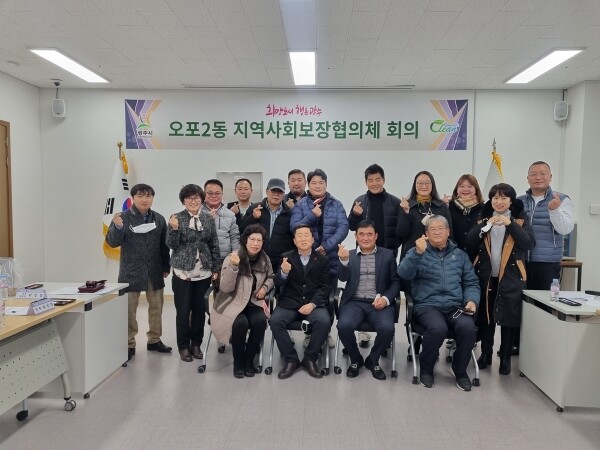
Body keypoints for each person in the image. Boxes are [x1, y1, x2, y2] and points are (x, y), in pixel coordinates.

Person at [398, 215, 480, 391]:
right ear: (426, 233)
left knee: (468, 327)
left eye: (440, 228)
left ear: (448, 232)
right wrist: (417, 253)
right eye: (432, 229)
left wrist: (472, 301)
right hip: (427, 306)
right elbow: (403, 274)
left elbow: (471, 283)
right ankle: (426, 369)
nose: (436, 232)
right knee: (437, 328)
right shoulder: (417, 251)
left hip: (455, 306)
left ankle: (460, 371)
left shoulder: (460, 255)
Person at [466, 183, 534, 375]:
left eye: (504, 198)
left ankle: (505, 357)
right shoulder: (484, 219)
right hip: (486, 276)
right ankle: (486, 354)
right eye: (495, 198)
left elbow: (528, 243)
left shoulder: (520, 220)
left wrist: (509, 224)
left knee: (508, 317)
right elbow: (470, 241)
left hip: (511, 277)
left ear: (511, 201)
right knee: (486, 316)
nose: (499, 201)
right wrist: (486, 225)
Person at [105, 183, 171, 360]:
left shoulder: (159, 219)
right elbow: (112, 242)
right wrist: (118, 227)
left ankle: (154, 340)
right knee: (129, 310)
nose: (144, 199)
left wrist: (166, 266)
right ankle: (128, 343)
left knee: (156, 308)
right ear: (133, 198)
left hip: (154, 270)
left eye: (148, 196)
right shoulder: (122, 218)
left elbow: (164, 245)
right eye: (140, 196)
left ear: (152, 198)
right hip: (130, 271)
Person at [289, 168, 348, 348]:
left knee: (328, 297)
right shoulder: (301, 205)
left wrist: (326, 246)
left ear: (326, 184)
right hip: (308, 260)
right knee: (309, 297)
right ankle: (310, 333)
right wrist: (312, 216)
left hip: (330, 258)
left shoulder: (336, 204)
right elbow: (294, 227)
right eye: (313, 182)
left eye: (321, 182)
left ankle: (326, 332)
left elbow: (343, 227)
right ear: (308, 185)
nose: (317, 186)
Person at [336, 219, 401, 380]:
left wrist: (385, 299)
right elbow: (342, 278)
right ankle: (355, 359)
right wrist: (343, 261)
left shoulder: (387, 255)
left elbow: (395, 282)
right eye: (361, 234)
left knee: (387, 328)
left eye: (369, 234)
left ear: (376, 236)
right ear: (356, 236)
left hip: (378, 302)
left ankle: (373, 359)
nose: (365, 238)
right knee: (343, 325)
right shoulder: (349, 255)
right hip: (354, 302)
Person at [210, 224, 274, 378]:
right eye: (252, 239)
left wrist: (265, 288)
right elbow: (225, 288)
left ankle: (249, 360)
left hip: (253, 302)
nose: (255, 243)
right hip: (232, 301)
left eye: (259, 240)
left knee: (260, 321)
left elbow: (271, 277)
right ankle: (238, 362)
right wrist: (233, 267)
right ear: (245, 240)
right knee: (241, 323)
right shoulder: (232, 257)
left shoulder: (265, 259)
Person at [347, 164, 401, 348]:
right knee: (365, 287)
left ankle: (384, 336)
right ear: (366, 182)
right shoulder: (360, 201)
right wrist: (355, 215)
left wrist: (394, 248)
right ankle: (363, 332)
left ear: (384, 180)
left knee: (384, 289)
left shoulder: (394, 202)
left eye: (378, 179)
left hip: (387, 254)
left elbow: (401, 229)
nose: (374, 183)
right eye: (370, 180)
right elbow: (351, 226)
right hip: (365, 253)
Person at [270, 224, 332, 379]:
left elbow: (325, 287)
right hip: (290, 303)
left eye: (306, 235)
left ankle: (310, 358)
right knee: (275, 321)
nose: (303, 239)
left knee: (324, 321)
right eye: (299, 236)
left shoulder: (323, 260)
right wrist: (283, 272)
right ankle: (291, 359)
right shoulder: (286, 257)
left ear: (312, 239)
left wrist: (312, 304)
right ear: (294, 240)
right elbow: (277, 283)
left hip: (313, 303)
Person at [167, 184, 220, 362]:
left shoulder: (207, 218)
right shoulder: (176, 218)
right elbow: (171, 244)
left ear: (202, 200)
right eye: (189, 198)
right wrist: (174, 229)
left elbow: (214, 244)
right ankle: (183, 346)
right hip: (182, 272)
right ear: (183, 201)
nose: (193, 201)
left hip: (203, 272)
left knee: (199, 311)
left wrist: (216, 268)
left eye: (197, 197)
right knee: (183, 311)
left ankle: (196, 344)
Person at [518, 161, 575, 290]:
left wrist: (555, 211)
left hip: (548, 263)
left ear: (550, 177)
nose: (538, 177)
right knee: (520, 299)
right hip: (521, 260)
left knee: (544, 301)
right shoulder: (519, 201)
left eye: (542, 174)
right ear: (528, 178)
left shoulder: (561, 199)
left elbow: (566, 229)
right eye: (534, 174)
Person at [240, 178, 294, 274]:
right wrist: (253, 217)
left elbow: (293, 237)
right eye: (273, 191)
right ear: (266, 191)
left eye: (279, 192)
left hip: (280, 261)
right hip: (257, 258)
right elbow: (242, 230)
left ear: (283, 194)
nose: (276, 194)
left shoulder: (289, 213)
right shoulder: (255, 208)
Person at [396, 170, 452, 261]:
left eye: (427, 183)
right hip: (412, 257)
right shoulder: (406, 205)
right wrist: (406, 212)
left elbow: (450, 234)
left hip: (437, 258)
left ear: (432, 185)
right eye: (420, 183)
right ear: (415, 185)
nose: (424, 186)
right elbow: (401, 233)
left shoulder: (441, 206)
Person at [202, 179, 240, 264]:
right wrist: (207, 220)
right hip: (203, 260)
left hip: (225, 260)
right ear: (204, 194)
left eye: (217, 193)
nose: (214, 196)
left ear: (222, 194)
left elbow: (234, 237)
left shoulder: (230, 214)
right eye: (210, 193)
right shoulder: (197, 213)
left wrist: (235, 254)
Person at [448, 174, 484, 262]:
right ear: (457, 189)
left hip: (477, 257)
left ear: (476, 189)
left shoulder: (483, 208)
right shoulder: (449, 207)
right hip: (453, 256)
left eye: (470, 186)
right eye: (462, 186)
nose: (465, 189)